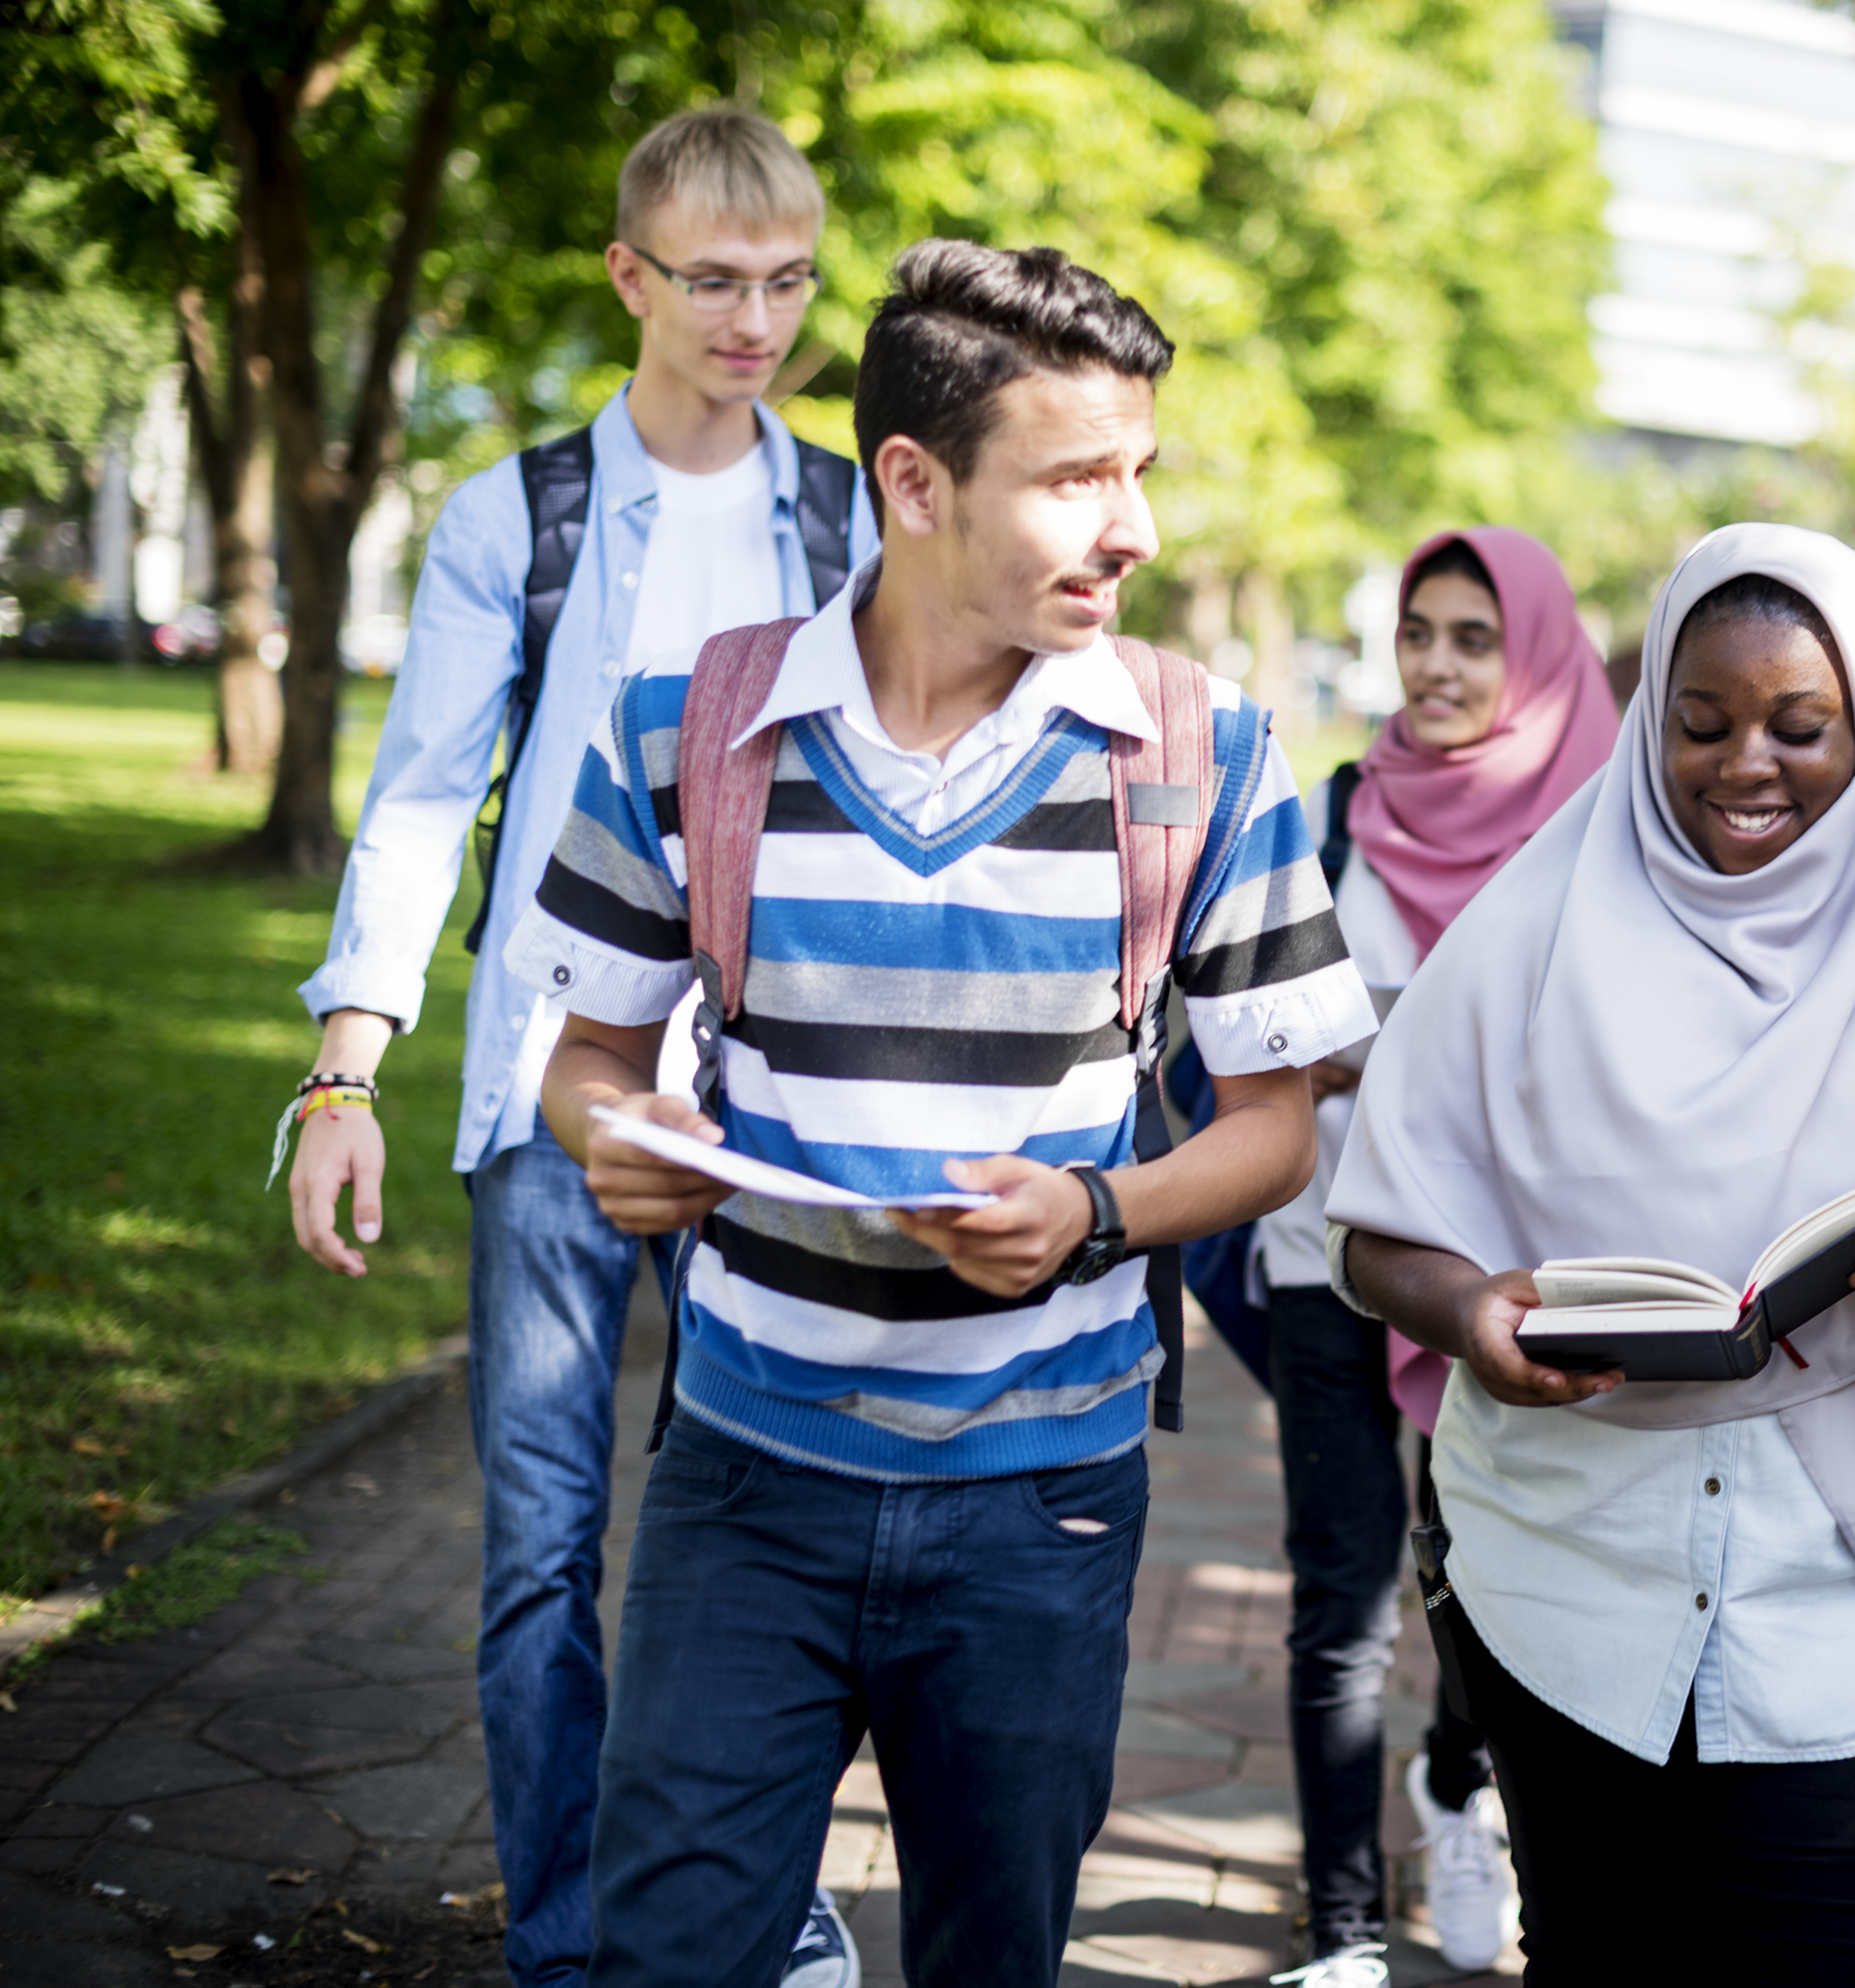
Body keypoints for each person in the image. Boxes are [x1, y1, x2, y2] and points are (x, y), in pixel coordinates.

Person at [503, 238, 1376, 1988]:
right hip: (743, 1480)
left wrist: (1098, 1213)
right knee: (665, 1954)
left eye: (1142, 472)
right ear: (911, 481)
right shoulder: (690, 730)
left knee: (992, 1959)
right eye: (1076, 479)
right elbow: (582, 1053)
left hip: (1041, 1505)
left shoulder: (1203, 754)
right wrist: (615, 1138)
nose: (1131, 527)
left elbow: (1280, 1125)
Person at [1324, 523, 1855, 1986]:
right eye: (1699, 724)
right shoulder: (1537, 925)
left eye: (1801, 726)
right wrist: (1470, 1315)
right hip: (1568, 1581)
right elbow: (1380, 1234)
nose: (1744, 765)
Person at [280, 104, 879, 1988]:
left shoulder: (853, 510)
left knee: (771, 1540)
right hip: (562, 1081)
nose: (756, 320)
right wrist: (344, 1070)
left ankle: (754, 1914)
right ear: (630, 278)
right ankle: (566, 1947)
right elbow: (416, 803)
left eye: (788, 281)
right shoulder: (514, 515)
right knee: (543, 1551)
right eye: (714, 281)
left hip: (775, 1099)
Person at [1251, 529, 1619, 1985]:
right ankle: (1341, 1932)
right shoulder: (1343, 805)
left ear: (1530, 650)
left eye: (1477, 636)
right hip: (1330, 1254)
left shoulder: (1594, 824)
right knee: (1338, 1599)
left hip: (1509, 1278)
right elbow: (1268, 1012)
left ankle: (1458, 1787)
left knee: (1483, 1590)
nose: (1442, 665)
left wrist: (1394, 1052)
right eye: (1421, 633)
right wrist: (1335, 1048)